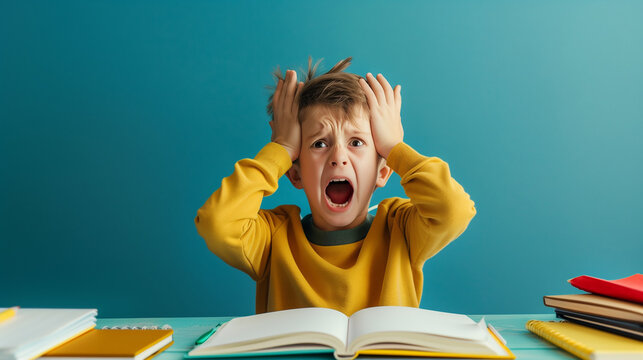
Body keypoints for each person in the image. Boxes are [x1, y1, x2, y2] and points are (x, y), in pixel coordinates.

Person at [194, 56, 476, 316]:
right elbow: (217, 223)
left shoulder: (402, 230)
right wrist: (280, 149)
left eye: (356, 143)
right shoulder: (272, 238)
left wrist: (394, 147)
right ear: (295, 174)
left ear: (384, 171)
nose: (338, 157)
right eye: (319, 143)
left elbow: (454, 210)